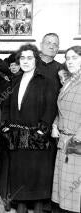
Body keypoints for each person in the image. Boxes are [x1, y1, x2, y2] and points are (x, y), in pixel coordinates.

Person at [1, 44, 57, 213]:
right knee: (20, 172)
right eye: (22, 58)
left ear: (36, 60)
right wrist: (5, 126)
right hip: (17, 135)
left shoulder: (46, 81)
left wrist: (43, 129)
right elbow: (6, 105)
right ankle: (21, 207)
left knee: (37, 174)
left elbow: (51, 106)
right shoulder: (15, 80)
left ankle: (39, 207)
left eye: (29, 58)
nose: (25, 61)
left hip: (37, 134)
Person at [51, 46, 81, 213]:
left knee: (75, 192)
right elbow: (61, 109)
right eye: (68, 58)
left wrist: (77, 139)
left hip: (76, 144)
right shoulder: (69, 81)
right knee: (66, 190)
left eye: (75, 58)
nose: (70, 61)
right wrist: (55, 124)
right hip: (64, 141)